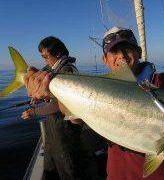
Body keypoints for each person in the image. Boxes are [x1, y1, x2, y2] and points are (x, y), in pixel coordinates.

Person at [23, 27, 164, 180]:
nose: (121, 56)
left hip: (163, 175)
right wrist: (52, 93)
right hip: (117, 174)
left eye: (127, 49)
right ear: (105, 60)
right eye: (114, 52)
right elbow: (78, 119)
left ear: (138, 52)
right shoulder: (97, 89)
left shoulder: (163, 82)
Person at [21, 36, 106, 180]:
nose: (44, 60)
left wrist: (35, 111)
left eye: (46, 56)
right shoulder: (52, 69)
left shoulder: (67, 71)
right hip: (53, 132)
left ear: (58, 53)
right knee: (51, 168)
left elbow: (60, 105)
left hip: (65, 132)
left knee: (68, 169)